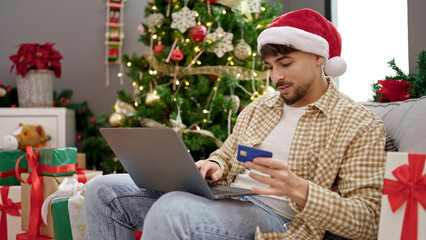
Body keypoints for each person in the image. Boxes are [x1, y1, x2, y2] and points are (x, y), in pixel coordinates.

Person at [85, 8, 386, 240]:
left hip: (278, 217)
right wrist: (214, 166)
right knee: (102, 191)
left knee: (172, 209)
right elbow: (228, 157)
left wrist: (298, 188)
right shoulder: (260, 109)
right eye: (270, 67)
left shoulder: (358, 124)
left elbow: (370, 221)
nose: (276, 77)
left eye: (286, 63)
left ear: (320, 57)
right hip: (225, 197)